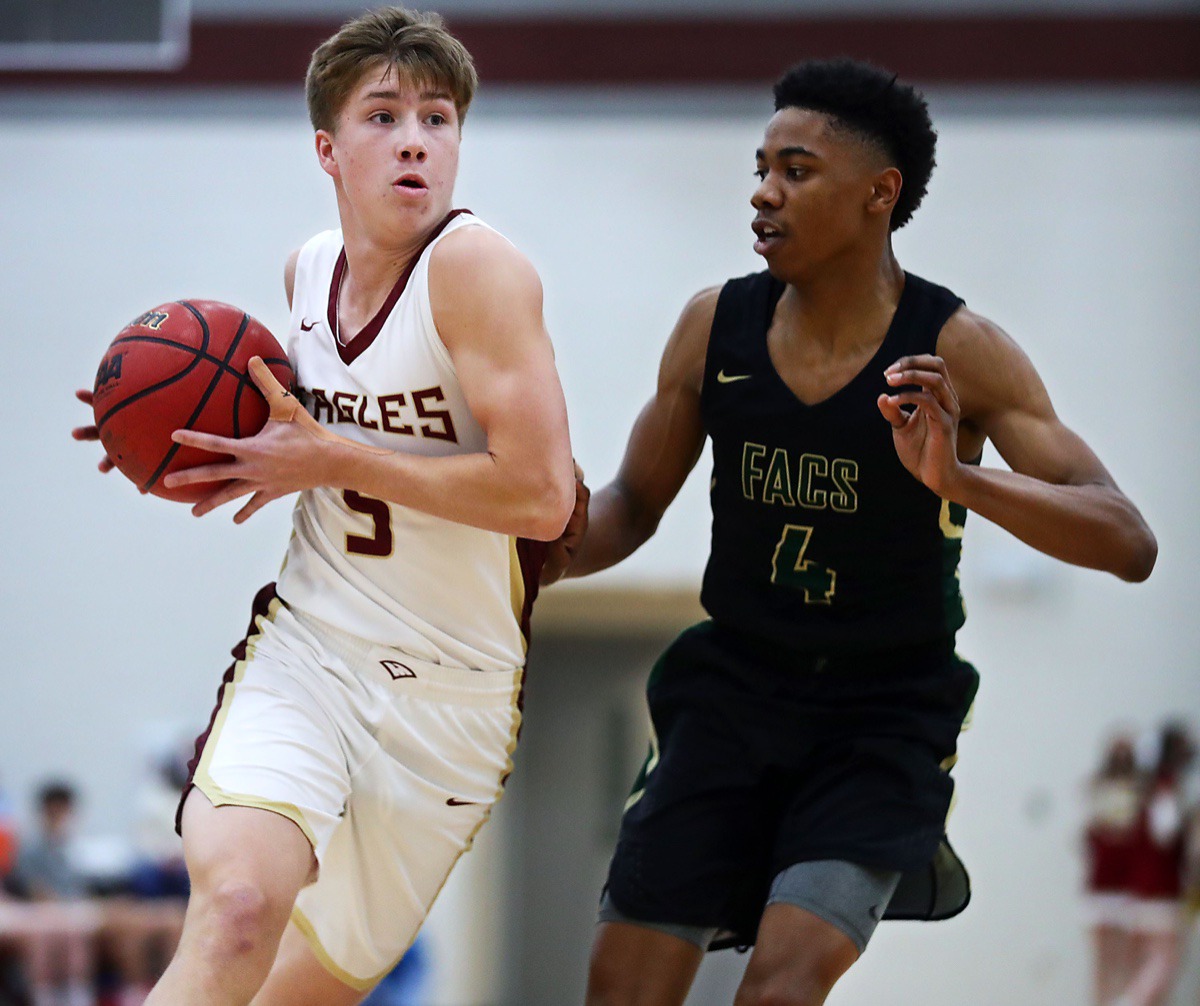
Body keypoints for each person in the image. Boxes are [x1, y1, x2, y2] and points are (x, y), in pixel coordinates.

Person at [552, 58, 1158, 1006]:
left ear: (881, 194)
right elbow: (630, 507)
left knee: (781, 990)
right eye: (761, 168)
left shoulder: (957, 350)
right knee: (619, 989)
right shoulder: (715, 328)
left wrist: (961, 478)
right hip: (733, 693)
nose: (763, 193)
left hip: (883, 715)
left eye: (796, 171)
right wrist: (519, 554)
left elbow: (1128, 540)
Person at [73, 7, 574, 1004]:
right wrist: (152, 431)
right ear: (328, 149)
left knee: (293, 993)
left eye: (437, 118)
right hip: (314, 648)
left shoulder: (479, 273)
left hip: (454, 699)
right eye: (383, 116)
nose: (415, 140)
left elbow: (542, 495)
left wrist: (329, 455)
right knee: (238, 912)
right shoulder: (306, 273)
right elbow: (284, 442)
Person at [1117, 723, 1195, 1006]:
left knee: (1154, 974)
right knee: (1161, 967)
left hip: (1145, 893)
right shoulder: (1164, 792)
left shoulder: (1147, 791)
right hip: (1159, 894)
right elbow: (1165, 835)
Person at [1083, 734, 1142, 1005]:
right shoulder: (1097, 786)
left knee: (1126, 960)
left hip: (1128, 885)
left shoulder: (1141, 790)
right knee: (1103, 960)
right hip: (1101, 884)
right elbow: (1091, 832)